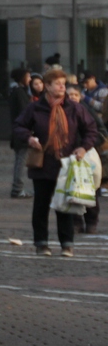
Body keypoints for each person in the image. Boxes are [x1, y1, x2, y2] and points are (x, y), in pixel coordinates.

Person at [14, 69, 100, 257]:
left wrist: (84, 147)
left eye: (63, 83)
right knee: (41, 205)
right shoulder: (35, 108)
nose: (62, 86)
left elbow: (91, 129)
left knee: (65, 206)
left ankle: (67, 244)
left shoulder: (74, 108)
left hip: (67, 165)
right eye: (57, 83)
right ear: (47, 86)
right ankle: (41, 243)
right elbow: (18, 126)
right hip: (43, 163)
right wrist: (29, 139)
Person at [68, 84, 103, 234]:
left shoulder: (87, 111)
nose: (72, 98)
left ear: (80, 96)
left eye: (75, 95)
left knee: (90, 190)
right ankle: (76, 222)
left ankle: (91, 221)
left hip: (86, 156)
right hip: (68, 156)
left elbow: (100, 132)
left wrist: (86, 145)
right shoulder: (61, 111)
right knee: (71, 191)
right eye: (69, 95)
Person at [9, 68, 34, 198]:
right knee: (21, 160)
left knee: (20, 159)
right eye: (28, 77)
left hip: (19, 131)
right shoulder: (19, 92)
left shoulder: (18, 91)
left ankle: (17, 187)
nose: (30, 79)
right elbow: (25, 112)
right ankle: (17, 188)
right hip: (22, 132)